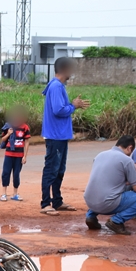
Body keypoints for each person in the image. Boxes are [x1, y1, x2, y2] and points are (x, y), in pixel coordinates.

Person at [40, 57, 90, 215]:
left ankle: (57, 201)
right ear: (65, 69)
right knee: (51, 169)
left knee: (59, 170)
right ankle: (45, 203)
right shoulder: (55, 86)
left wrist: (72, 105)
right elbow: (58, 110)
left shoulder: (57, 86)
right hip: (55, 136)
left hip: (60, 136)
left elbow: (61, 108)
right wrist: (73, 106)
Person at [83, 135, 136, 235]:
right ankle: (116, 221)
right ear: (130, 148)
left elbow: (108, 178)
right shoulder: (126, 160)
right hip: (107, 203)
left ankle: (90, 216)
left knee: (104, 188)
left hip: (90, 201)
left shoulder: (100, 155)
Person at [0, 106, 30, 202]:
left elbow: (27, 142)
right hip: (9, 154)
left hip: (19, 155)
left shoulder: (25, 127)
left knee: (16, 174)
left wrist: (25, 156)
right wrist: (8, 134)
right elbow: (3, 139)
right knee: (5, 173)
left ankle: (15, 194)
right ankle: (4, 193)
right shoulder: (8, 126)